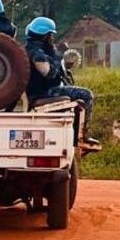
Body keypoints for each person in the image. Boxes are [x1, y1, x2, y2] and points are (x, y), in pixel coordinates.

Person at [23, 16, 99, 147]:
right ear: (44, 35)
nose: (52, 38)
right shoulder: (37, 53)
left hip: (43, 90)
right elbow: (49, 74)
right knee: (86, 95)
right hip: (45, 92)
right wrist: (59, 55)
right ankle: (82, 135)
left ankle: (76, 132)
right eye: (51, 35)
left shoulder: (32, 48)